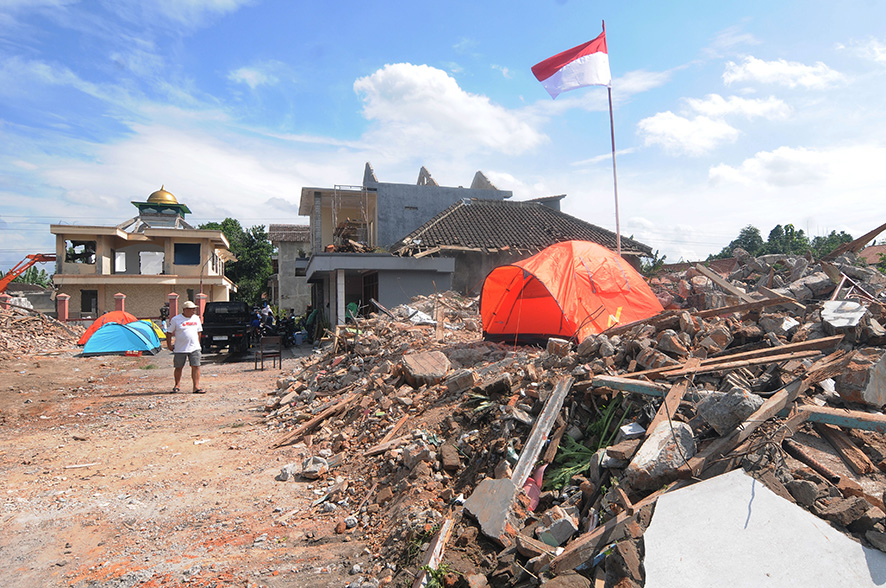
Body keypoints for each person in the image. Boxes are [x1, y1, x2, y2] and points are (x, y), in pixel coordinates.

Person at [166, 300, 204, 394]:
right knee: (179, 367)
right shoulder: (176, 319)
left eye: (194, 309)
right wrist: (169, 345)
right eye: (191, 309)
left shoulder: (196, 318)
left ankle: (196, 387)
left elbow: (199, 332)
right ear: (185, 309)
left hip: (194, 347)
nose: (193, 311)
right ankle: (177, 385)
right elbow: (169, 333)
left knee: (196, 366)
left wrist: (198, 344)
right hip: (180, 348)